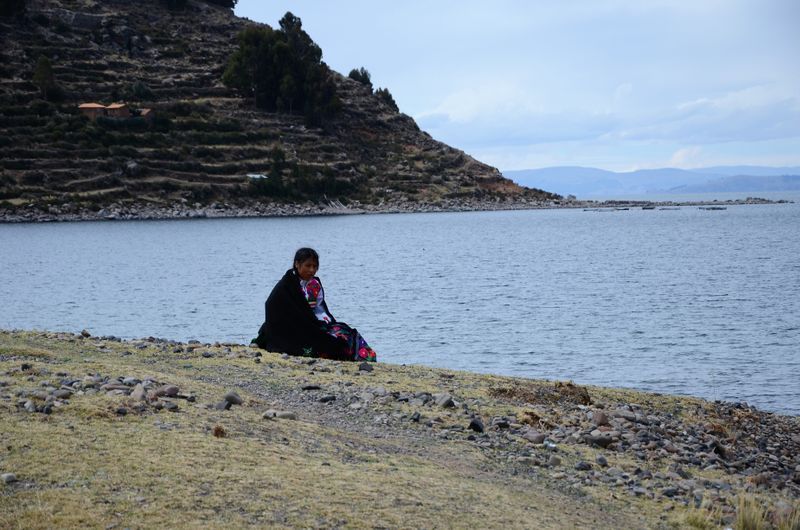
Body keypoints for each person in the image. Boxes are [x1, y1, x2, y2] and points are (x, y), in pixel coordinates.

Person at [253, 248, 377, 362]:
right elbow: (272, 307)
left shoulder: (314, 284)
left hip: (312, 324)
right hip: (291, 328)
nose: (312, 270)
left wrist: (325, 322)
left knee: (346, 333)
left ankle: (366, 357)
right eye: (308, 265)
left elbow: (319, 309)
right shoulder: (285, 286)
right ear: (297, 264)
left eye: (315, 266)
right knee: (322, 342)